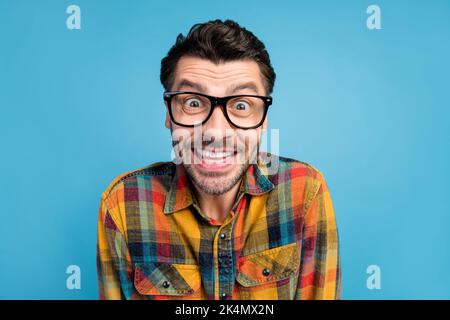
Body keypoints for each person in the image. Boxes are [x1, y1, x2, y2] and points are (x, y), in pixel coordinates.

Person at [96, 19, 341, 300]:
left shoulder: (305, 192)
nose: (214, 131)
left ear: (263, 119)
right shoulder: (123, 204)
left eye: (241, 105)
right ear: (168, 112)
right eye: (193, 102)